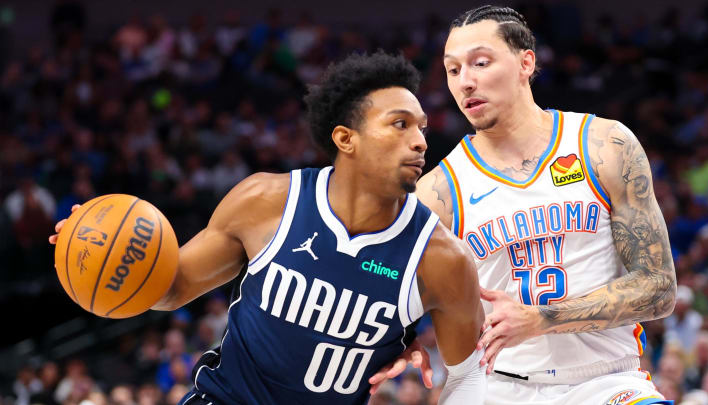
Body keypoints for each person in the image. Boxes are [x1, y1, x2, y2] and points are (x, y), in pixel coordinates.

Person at [50, 52, 486, 405]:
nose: (421, 141)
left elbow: (470, 381)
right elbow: (173, 288)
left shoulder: (442, 259)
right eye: (400, 124)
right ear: (345, 139)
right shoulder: (266, 202)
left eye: (422, 128)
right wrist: (97, 254)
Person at [411, 5, 677, 405]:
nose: (465, 81)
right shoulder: (438, 191)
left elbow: (659, 289)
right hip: (500, 388)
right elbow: (392, 295)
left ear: (525, 62)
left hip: (608, 382)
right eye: (452, 69)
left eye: (480, 63)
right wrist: (395, 344)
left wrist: (537, 320)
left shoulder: (602, 145)